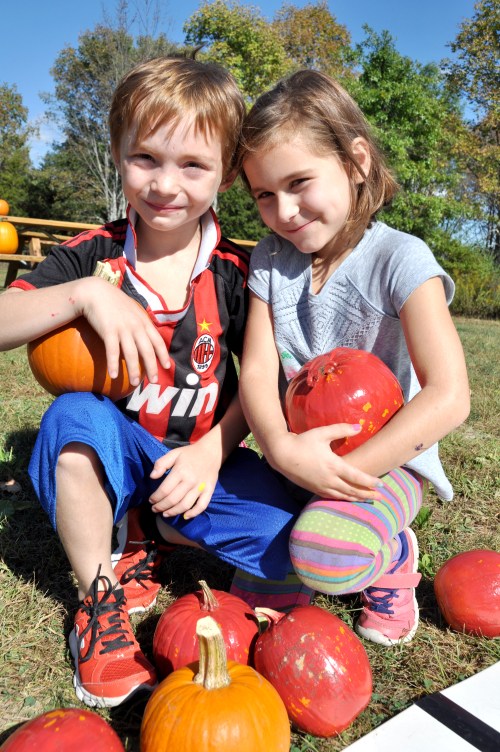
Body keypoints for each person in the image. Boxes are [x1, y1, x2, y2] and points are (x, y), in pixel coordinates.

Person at [0, 58, 356, 708]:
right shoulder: (94, 255)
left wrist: (212, 451)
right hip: (118, 453)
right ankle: (101, 592)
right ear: (118, 155)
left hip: (202, 464)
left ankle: (156, 530)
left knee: (296, 546)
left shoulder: (242, 273)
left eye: (193, 165)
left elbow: (263, 384)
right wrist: (84, 295)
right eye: (145, 159)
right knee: (72, 420)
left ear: (228, 171)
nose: (166, 185)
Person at [236, 69, 470, 647]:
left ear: (356, 161)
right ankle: (309, 530)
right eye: (264, 194)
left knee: (324, 555)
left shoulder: (400, 259)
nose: (284, 210)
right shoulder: (270, 259)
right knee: (249, 587)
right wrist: (285, 452)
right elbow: (260, 372)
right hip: (297, 457)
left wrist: (345, 473)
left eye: (299, 182)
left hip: (386, 464)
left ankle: (391, 556)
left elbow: (449, 396)